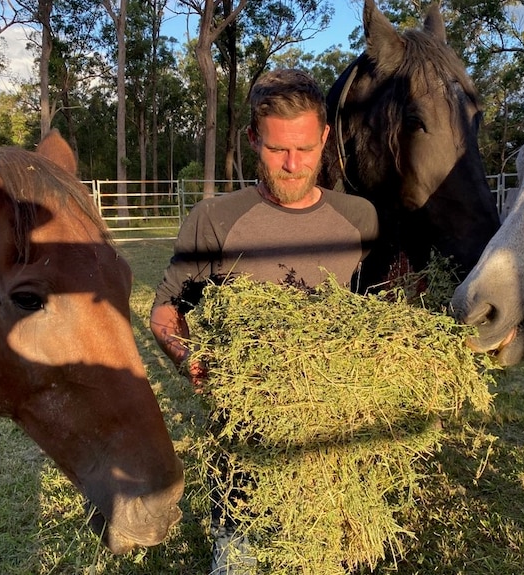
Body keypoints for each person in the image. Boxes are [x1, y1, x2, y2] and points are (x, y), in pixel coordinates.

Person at [149, 68, 378, 573]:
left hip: (338, 453)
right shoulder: (215, 219)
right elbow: (166, 308)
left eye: (305, 149)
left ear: (324, 138)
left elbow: (381, 309)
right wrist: (187, 354)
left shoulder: (360, 219)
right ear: (254, 139)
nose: (293, 166)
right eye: (277, 150)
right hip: (245, 452)